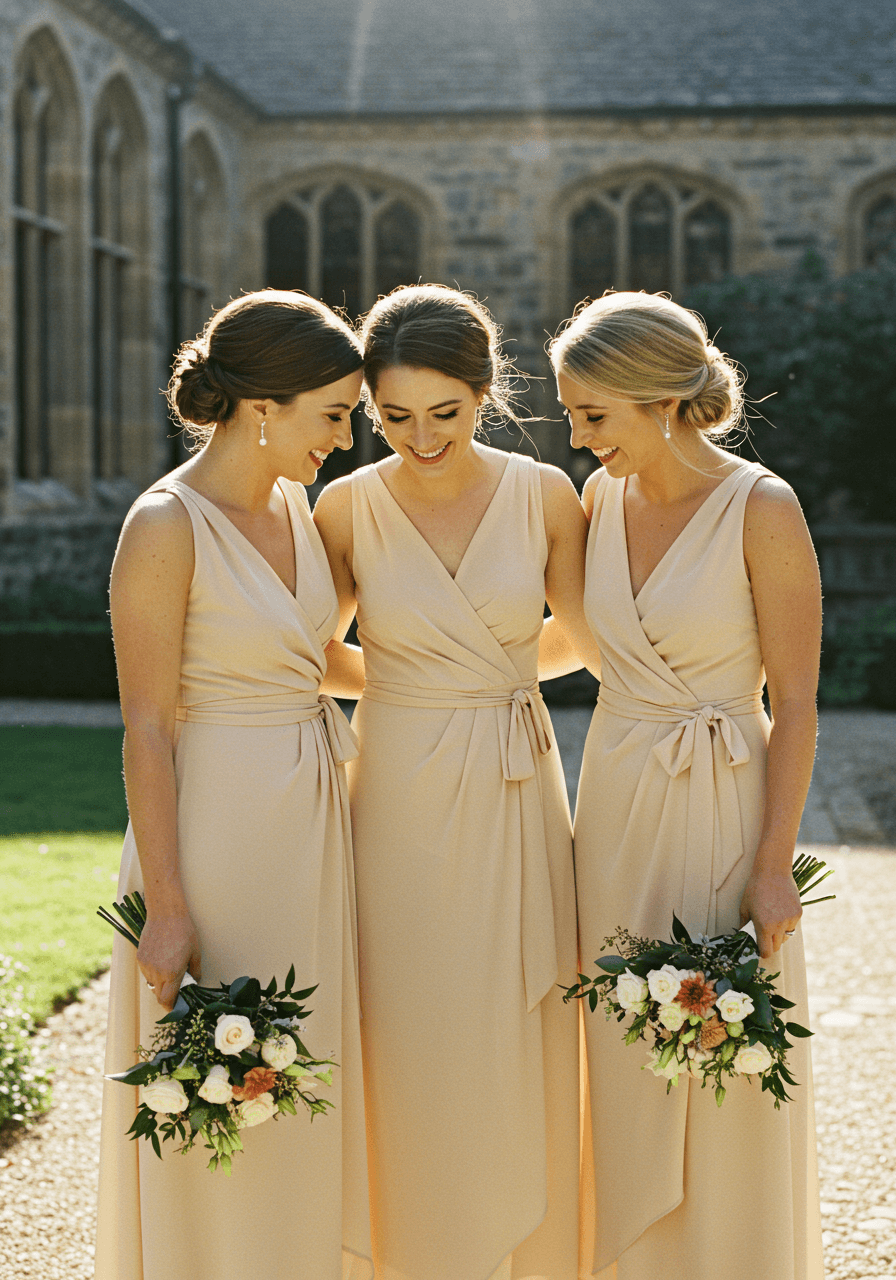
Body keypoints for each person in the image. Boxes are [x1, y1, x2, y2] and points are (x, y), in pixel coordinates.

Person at [314, 284, 597, 1280]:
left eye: (444, 412)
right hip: (394, 781)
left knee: (516, 1011)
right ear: (366, 407)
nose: (419, 437)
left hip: (514, 779)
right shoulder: (343, 505)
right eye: (392, 417)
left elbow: (590, 636)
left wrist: (494, 673)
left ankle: (523, 1248)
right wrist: (411, 684)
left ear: (484, 391)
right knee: (404, 1013)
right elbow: (312, 651)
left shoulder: (543, 493)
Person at [95, 291, 373, 1280]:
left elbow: (311, 655)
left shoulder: (294, 511)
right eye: (333, 414)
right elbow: (148, 724)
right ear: (265, 405)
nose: (343, 439)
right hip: (211, 830)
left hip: (309, 816)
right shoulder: (166, 523)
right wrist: (166, 906)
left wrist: (451, 675)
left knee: (300, 1068)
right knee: (206, 1073)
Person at [551, 291, 824, 1280]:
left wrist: (769, 865)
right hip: (617, 796)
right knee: (624, 1043)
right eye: (573, 416)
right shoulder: (595, 505)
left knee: (723, 1043)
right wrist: (431, 671)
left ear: (659, 400)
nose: (578, 441)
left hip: (720, 799)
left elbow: (793, 699)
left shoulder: (760, 505)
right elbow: (566, 644)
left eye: (592, 416)